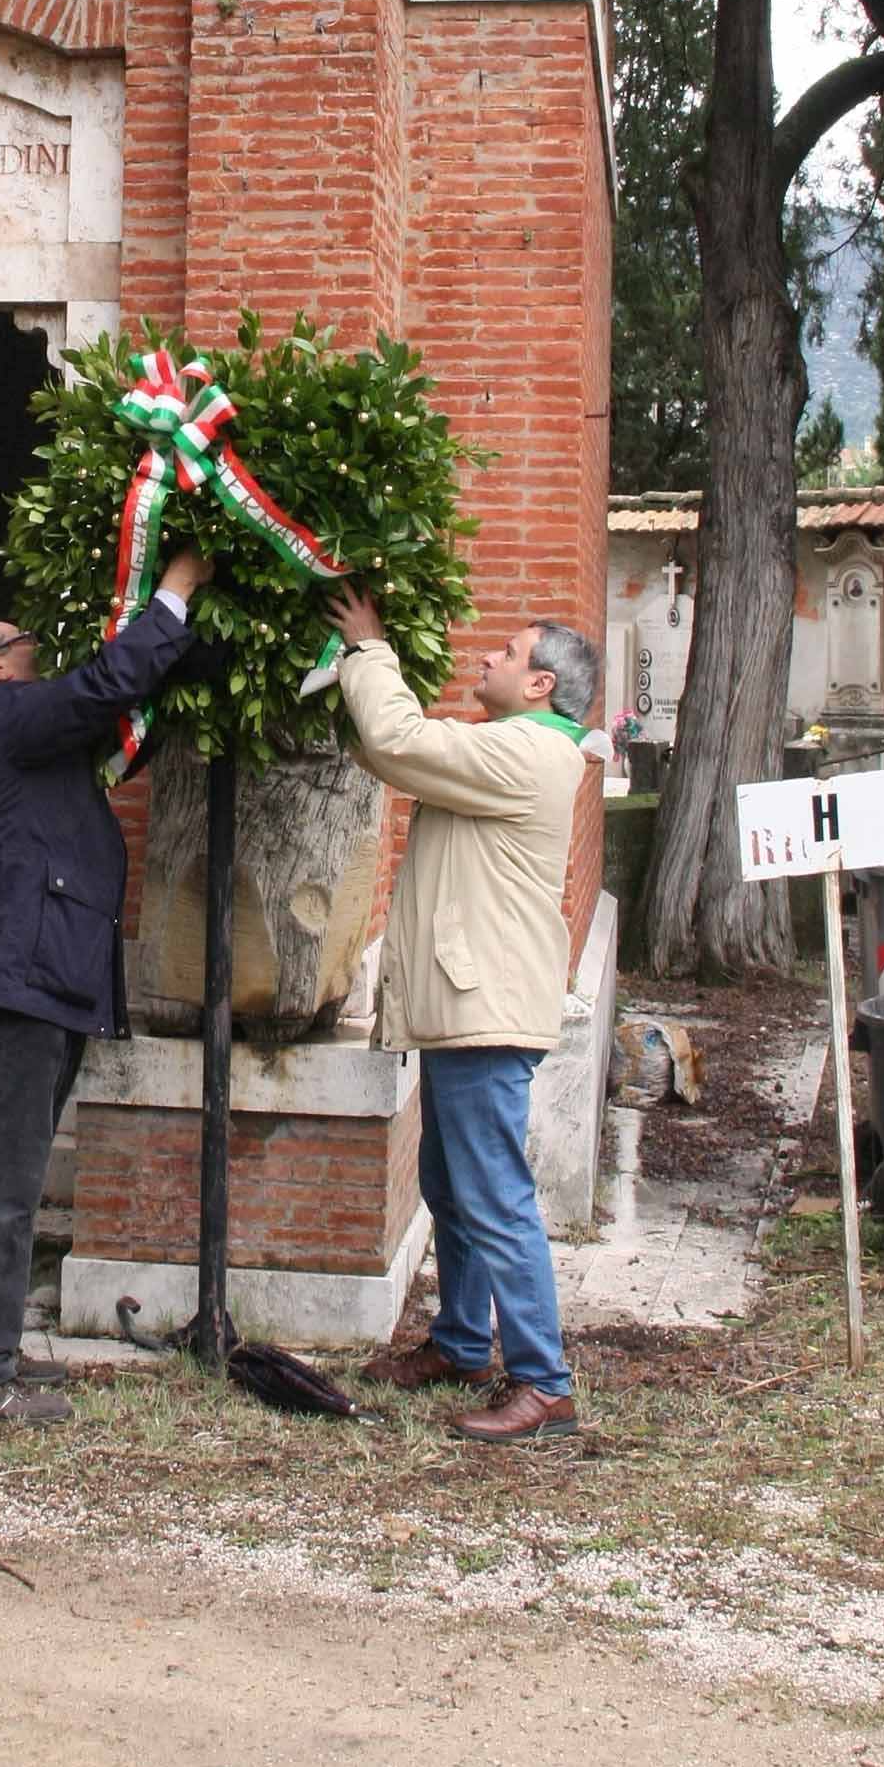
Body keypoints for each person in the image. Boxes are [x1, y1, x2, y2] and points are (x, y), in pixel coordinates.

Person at [0, 544, 215, 1423]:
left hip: (35, 974)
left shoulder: (26, 738)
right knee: (0, 1186)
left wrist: (188, 652)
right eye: (25, 641)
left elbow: (118, 712)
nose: (39, 650)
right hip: (17, 978)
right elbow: (97, 690)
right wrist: (173, 591)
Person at [327, 585, 601, 1443]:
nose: (487, 658)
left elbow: (401, 737)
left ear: (542, 686)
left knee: (493, 1194)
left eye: (509, 654)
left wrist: (369, 645)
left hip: (487, 1009)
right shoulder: (506, 745)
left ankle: (543, 1383)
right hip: (468, 1002)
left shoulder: (530, 753)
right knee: (452, 1185)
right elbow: (398, 756)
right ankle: (458, 1345)